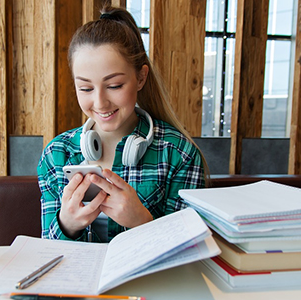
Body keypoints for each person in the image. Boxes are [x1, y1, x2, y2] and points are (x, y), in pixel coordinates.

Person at [37, 5, 209, 242]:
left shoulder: (179, 154)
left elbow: (191, 251)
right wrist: (67, 225)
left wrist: (142, 221)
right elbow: (48, 251)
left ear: (140, 78)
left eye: (115, 85)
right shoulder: (56, 155)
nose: (100, 102)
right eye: (85, 88)